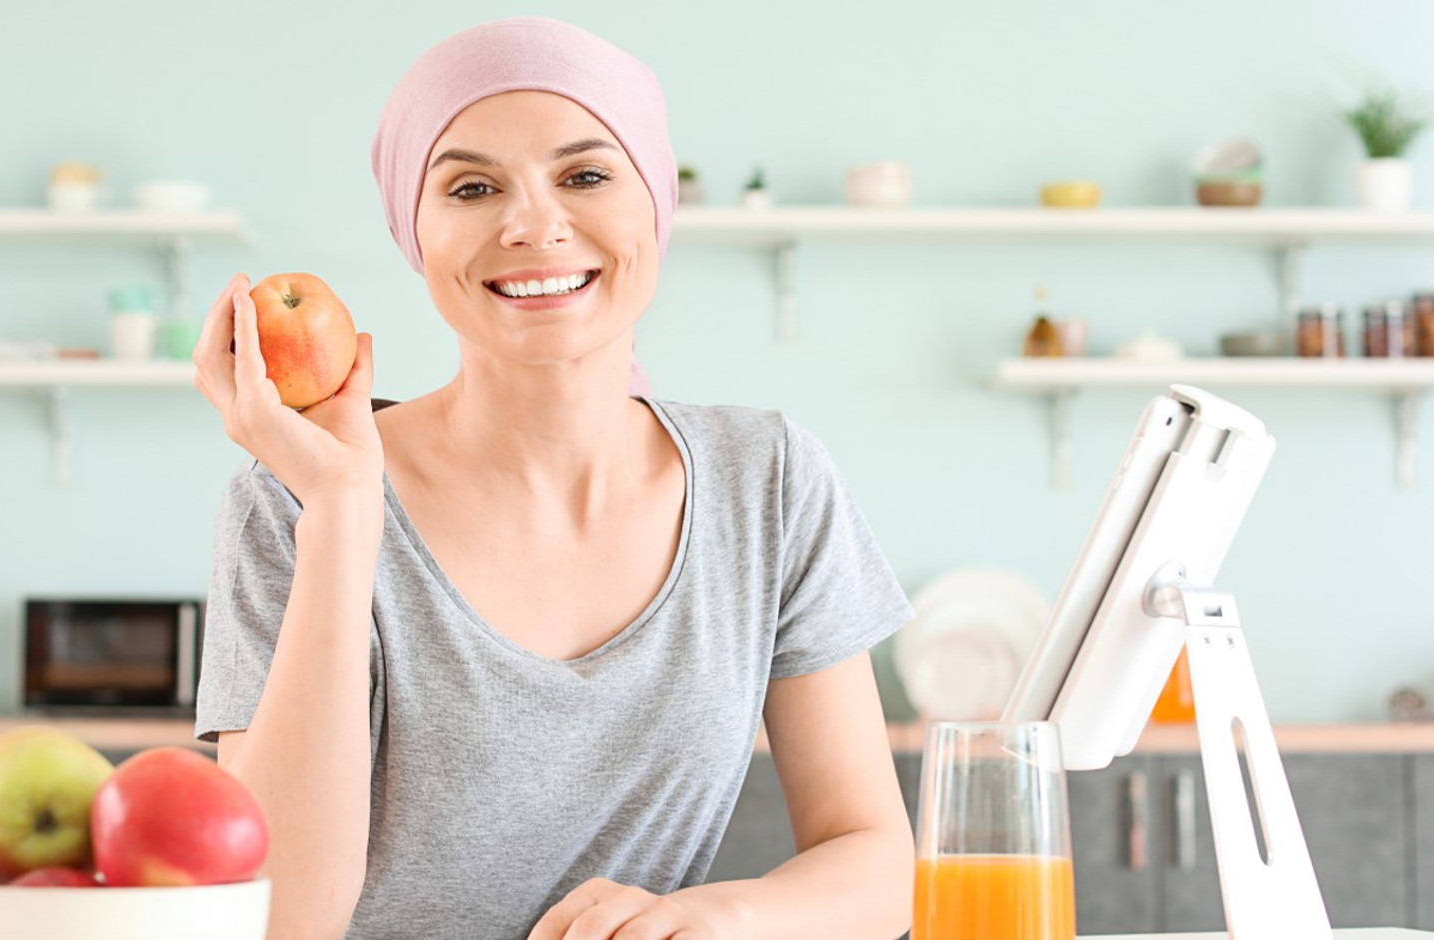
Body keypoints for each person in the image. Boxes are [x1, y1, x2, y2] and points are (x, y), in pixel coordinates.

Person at [190, 17, 915, 940]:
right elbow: (278, 921)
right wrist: (340, 516)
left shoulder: (769, 483)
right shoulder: (293, 497)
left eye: (585, 175)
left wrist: (715, 918)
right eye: (471, 186)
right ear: (415, 233)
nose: (532, 222)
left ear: (654, 203)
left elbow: (877, 859)